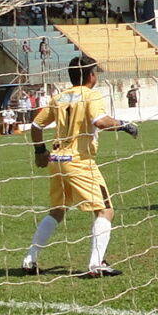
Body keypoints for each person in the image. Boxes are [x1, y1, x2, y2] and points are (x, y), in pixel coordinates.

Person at [22, 56, 139, 277]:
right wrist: (124, 124)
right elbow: (100, 122)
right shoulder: (91, 95)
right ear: (91, 76)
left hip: (56, 161)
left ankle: (30, 260)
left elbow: (36, 125)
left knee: (57, 211)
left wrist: (40, 151)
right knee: (105, 210)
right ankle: (96, 264)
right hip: (79, 162)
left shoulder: (59, 97)